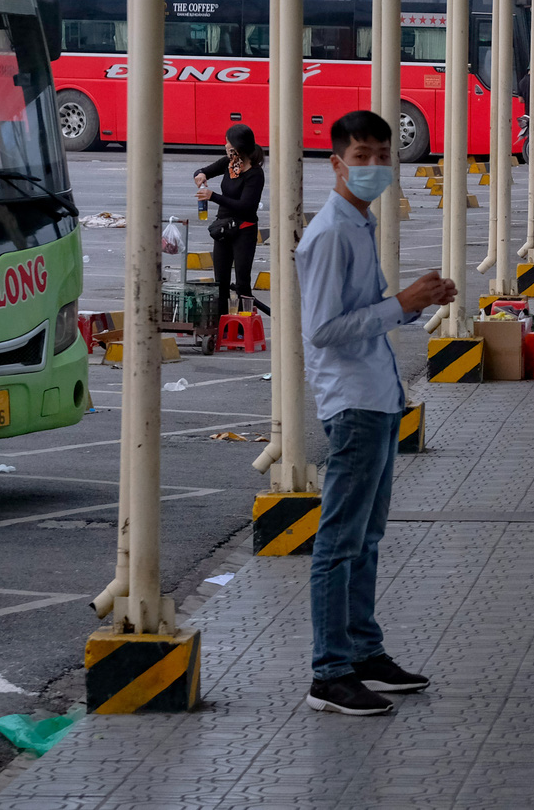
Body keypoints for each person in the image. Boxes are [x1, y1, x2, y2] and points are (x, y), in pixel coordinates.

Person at [298, 109, 458, 717]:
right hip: (353, 403)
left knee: (365, 537)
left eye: (380, 155)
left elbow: (368, 311)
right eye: (360, 156)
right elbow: (323, 330)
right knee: (340, 541)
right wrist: (401, 304)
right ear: (337, 163)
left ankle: (363, 652)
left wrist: (415, 303)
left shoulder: (357, 224)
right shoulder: (331, 232)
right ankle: (329, 672)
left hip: (377, 396)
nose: (372, 166)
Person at [196, 124, 266, 315]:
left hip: (244, 229)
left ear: (238, 146)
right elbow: (205, 170)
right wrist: (201, 174)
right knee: (221, 281)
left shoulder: (255, 174)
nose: (225, 145)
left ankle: (243, 324)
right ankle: (222, 325)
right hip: (224, 229)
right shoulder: (231, 163)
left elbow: (246, 206)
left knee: (242, 281)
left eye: (227, 141)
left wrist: (214, 197)